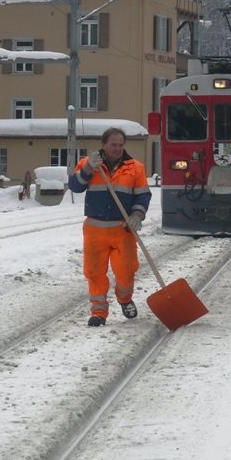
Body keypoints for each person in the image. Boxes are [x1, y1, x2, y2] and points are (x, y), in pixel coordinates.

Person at [68, 127, 152, 327]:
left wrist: (137, 215)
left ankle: (125, 299)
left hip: (123, 229)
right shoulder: (89, 164)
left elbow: (143, 195)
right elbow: (75, 187)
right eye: (113, 144)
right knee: (94, 272)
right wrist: (88, 168)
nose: (117, 149)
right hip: (95, 229)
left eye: (121, 145)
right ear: (103, 145)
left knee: (126, 270)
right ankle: (98, 312)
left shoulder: (135, 168)